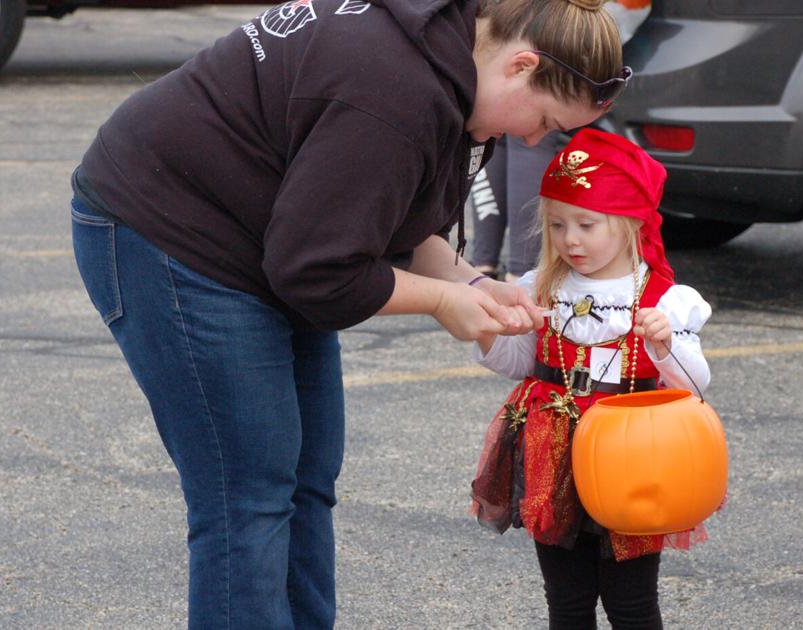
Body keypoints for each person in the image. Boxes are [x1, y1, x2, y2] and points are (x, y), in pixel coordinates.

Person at [69, 0, 631, 626]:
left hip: (270, 237)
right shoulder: (395, 91)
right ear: (521, 64)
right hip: (170, 232)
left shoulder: (452, 65)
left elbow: (377, 212)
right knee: (248, 497)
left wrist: (468, 279)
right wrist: (444, 302)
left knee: (307, 478)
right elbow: (318, 271)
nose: (530, 139)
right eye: (545, 119)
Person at [470, 129, 713, 629]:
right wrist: (489, 331)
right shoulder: (540, 284)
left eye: (586, 223)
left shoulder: (662, 297)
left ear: (628, 224)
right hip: (551, 453)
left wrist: (665, 346)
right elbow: (520, 362)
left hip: (633, 459)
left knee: (632, 603)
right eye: (557, 224)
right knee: (566, 600)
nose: (570, 239)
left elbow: (694, 385)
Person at [467, 0, 652, 284]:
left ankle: (491, 269)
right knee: (516, 134)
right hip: (567, 24)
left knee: (506, 130)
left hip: (534, 23)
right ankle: (514, 273)